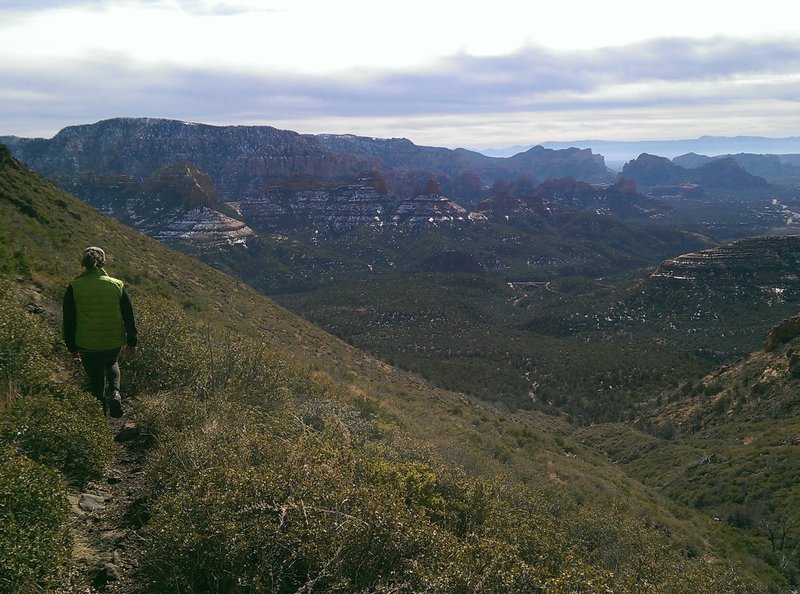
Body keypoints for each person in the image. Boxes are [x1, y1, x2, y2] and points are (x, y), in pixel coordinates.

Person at [63, 246, 138, 418]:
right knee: (112, 362)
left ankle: (100, 418)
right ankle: (115, 393)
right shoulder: (117, 285)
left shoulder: (74, 287)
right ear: (103, 261)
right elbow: (129, 316)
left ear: (83, 263)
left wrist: (71, 347)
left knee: (95, 379)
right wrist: (132, 342)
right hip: (113, 341)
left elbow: (68, 320)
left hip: (86, 343)